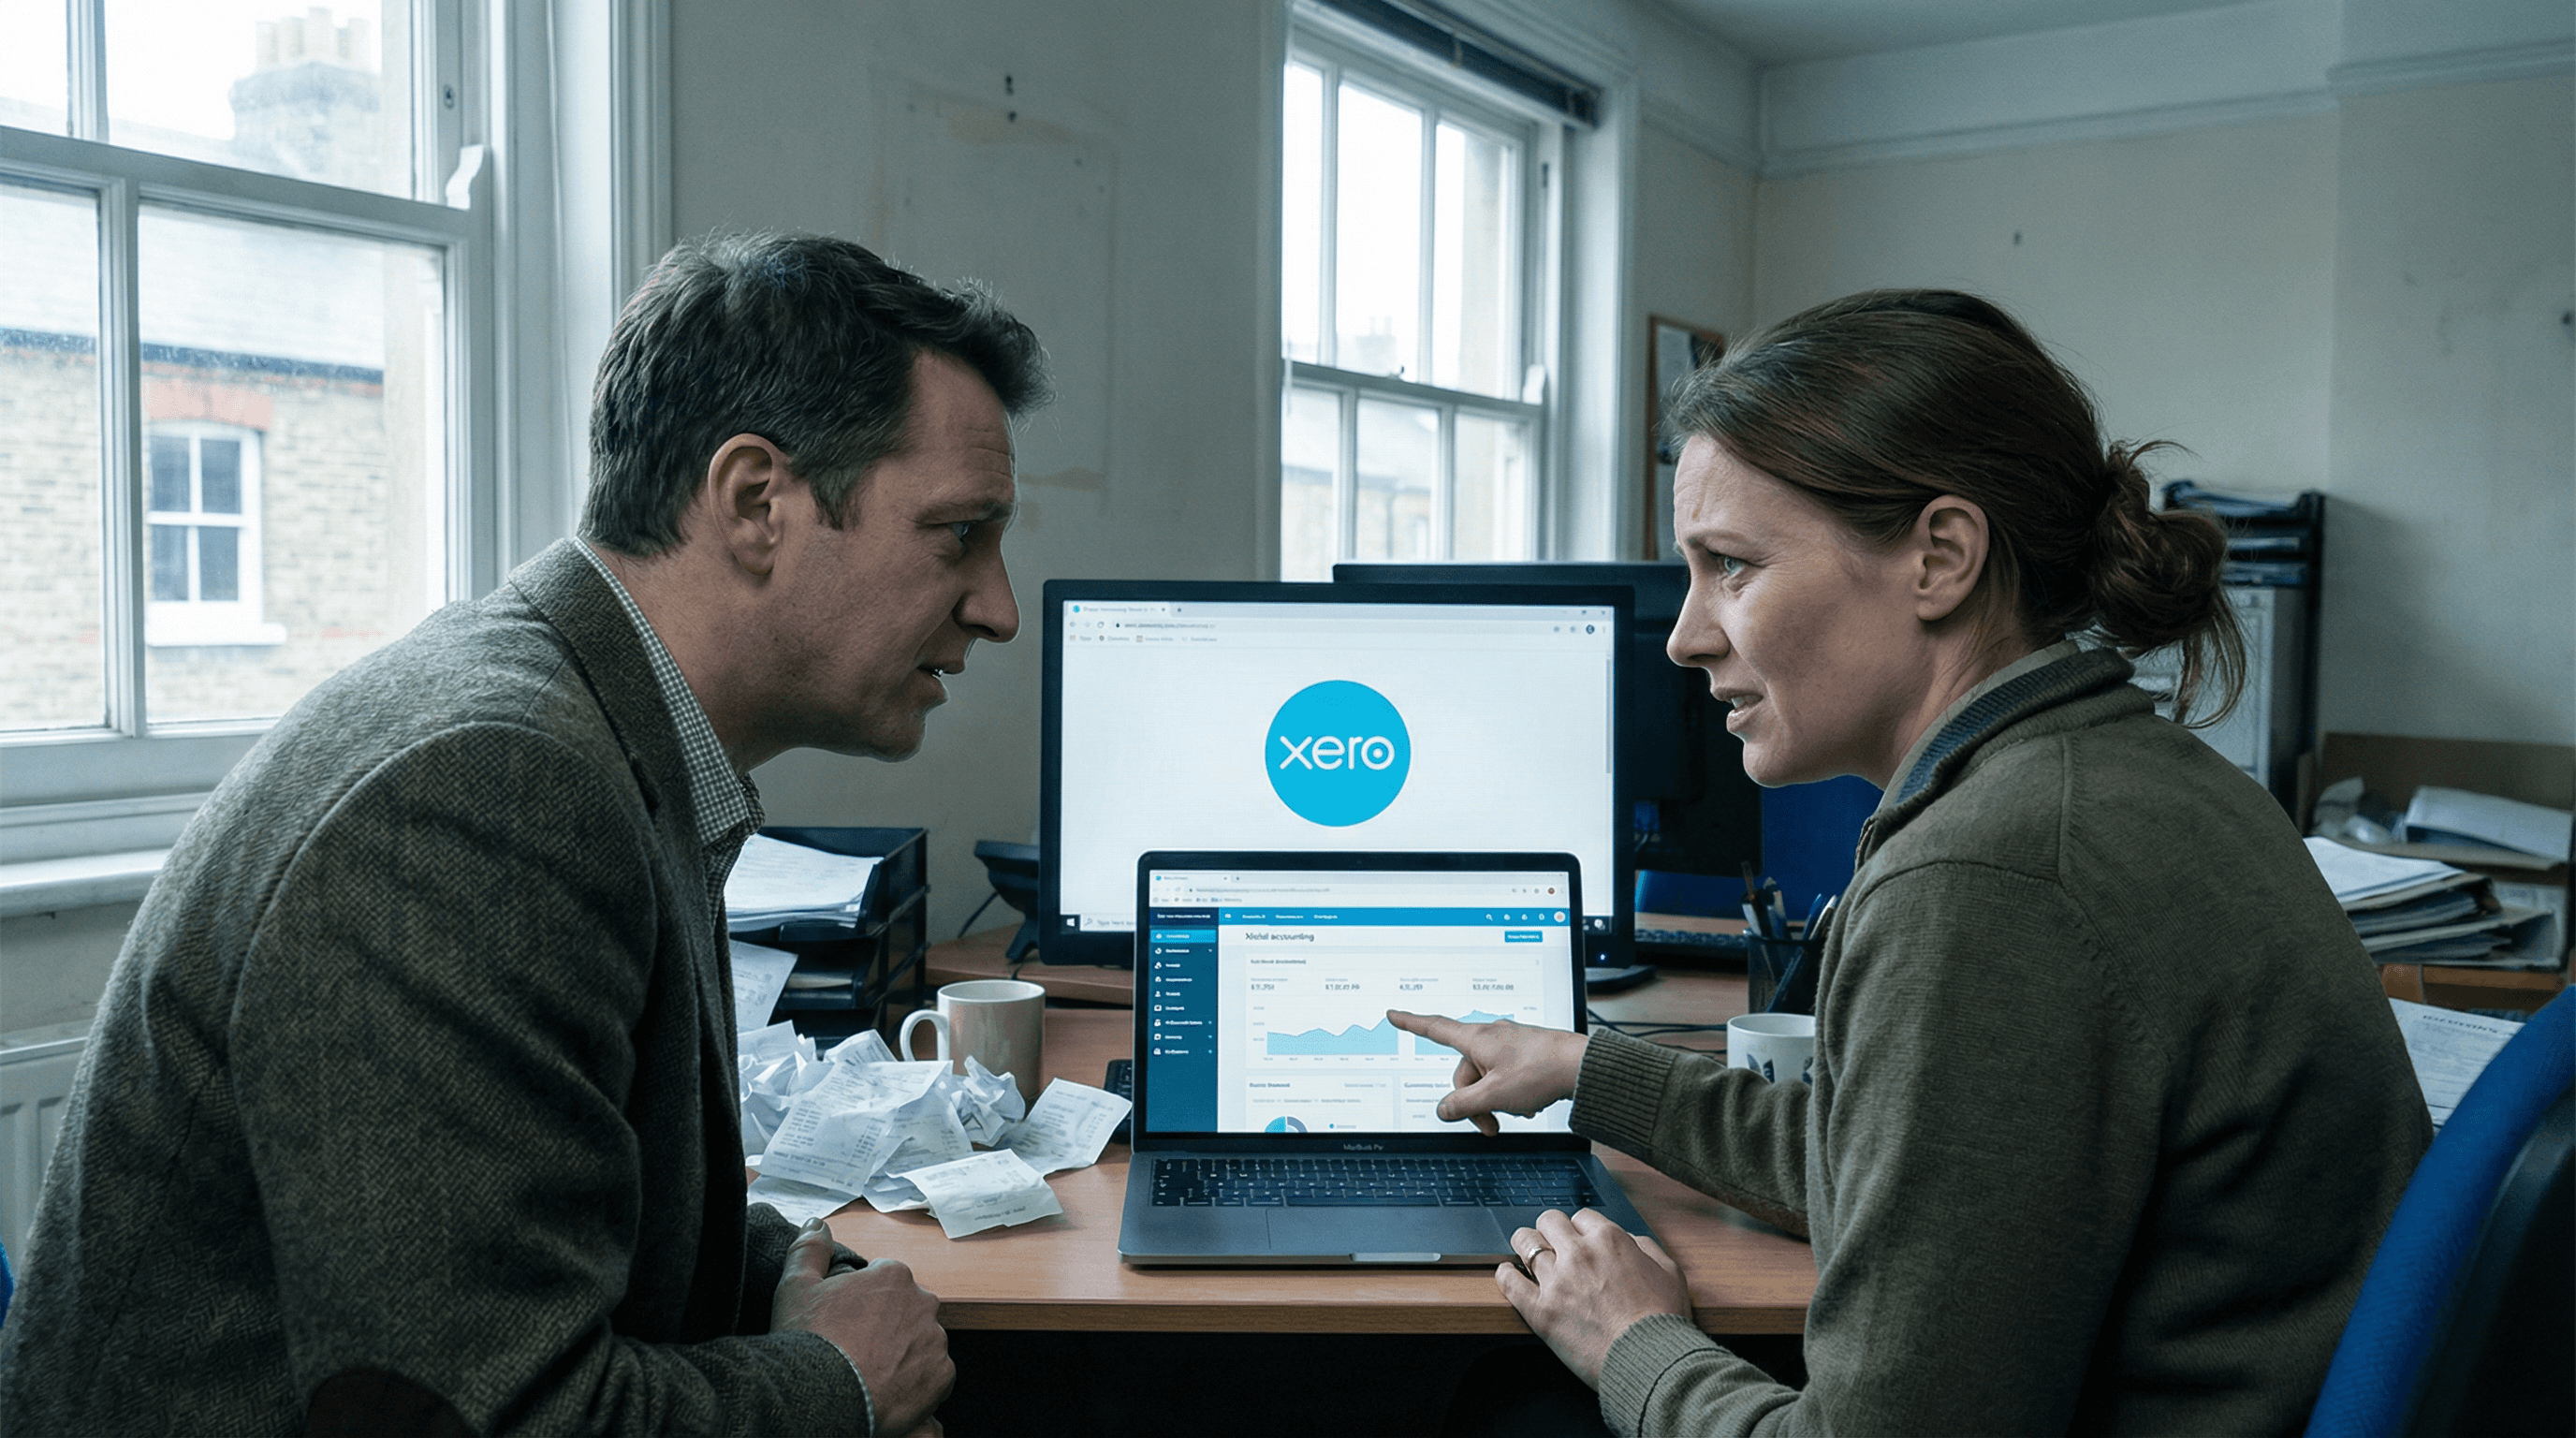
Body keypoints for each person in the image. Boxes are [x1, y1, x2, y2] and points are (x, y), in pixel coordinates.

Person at [0, 232, 1046, 1436]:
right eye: (957, 534)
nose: (998, 608)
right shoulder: (487, 792)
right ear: (758, 501)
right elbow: (500, 1418)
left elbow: (579, 1190)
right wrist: (839, 1386)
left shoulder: (597, 730)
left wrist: (776, 1269)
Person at [1395, 290, 2430, 1436]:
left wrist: (1632, 1342)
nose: (1687, 635)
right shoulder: (2125, 779)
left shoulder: (1989, 878)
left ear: (1939, 557)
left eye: (1729, 564)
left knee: (1505, 1406)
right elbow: (1906, 1167)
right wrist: (1586, 1067)